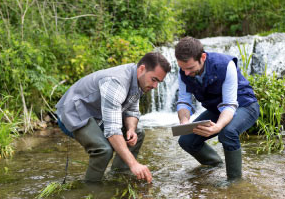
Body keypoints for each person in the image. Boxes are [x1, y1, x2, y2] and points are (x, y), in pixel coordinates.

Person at [55, 52, 171, 183]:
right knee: (103, 150)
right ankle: (91, 189)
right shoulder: (116, 82)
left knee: (138, 133)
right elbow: (112, 130)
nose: (155, 86)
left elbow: (132, 111)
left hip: (98, 114)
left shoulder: (140, 80)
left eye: (159, 82)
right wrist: (134, 164)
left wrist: (131, 129)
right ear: (142, 69)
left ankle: (118, 178)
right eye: (154, 80)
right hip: (74, 113)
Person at [174, 37, 259, 182]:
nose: (186, 73)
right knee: (186, 140)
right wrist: (184, 121)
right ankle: (215, 165)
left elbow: (230, 105)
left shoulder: (225, 65)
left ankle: (234, 181)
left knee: (228, 132)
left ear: (203, 57)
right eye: (183, 68)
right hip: (217, 109)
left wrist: (218, 127)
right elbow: (184, 101)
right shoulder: (184, 72)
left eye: (190, 68)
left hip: (245, 105)